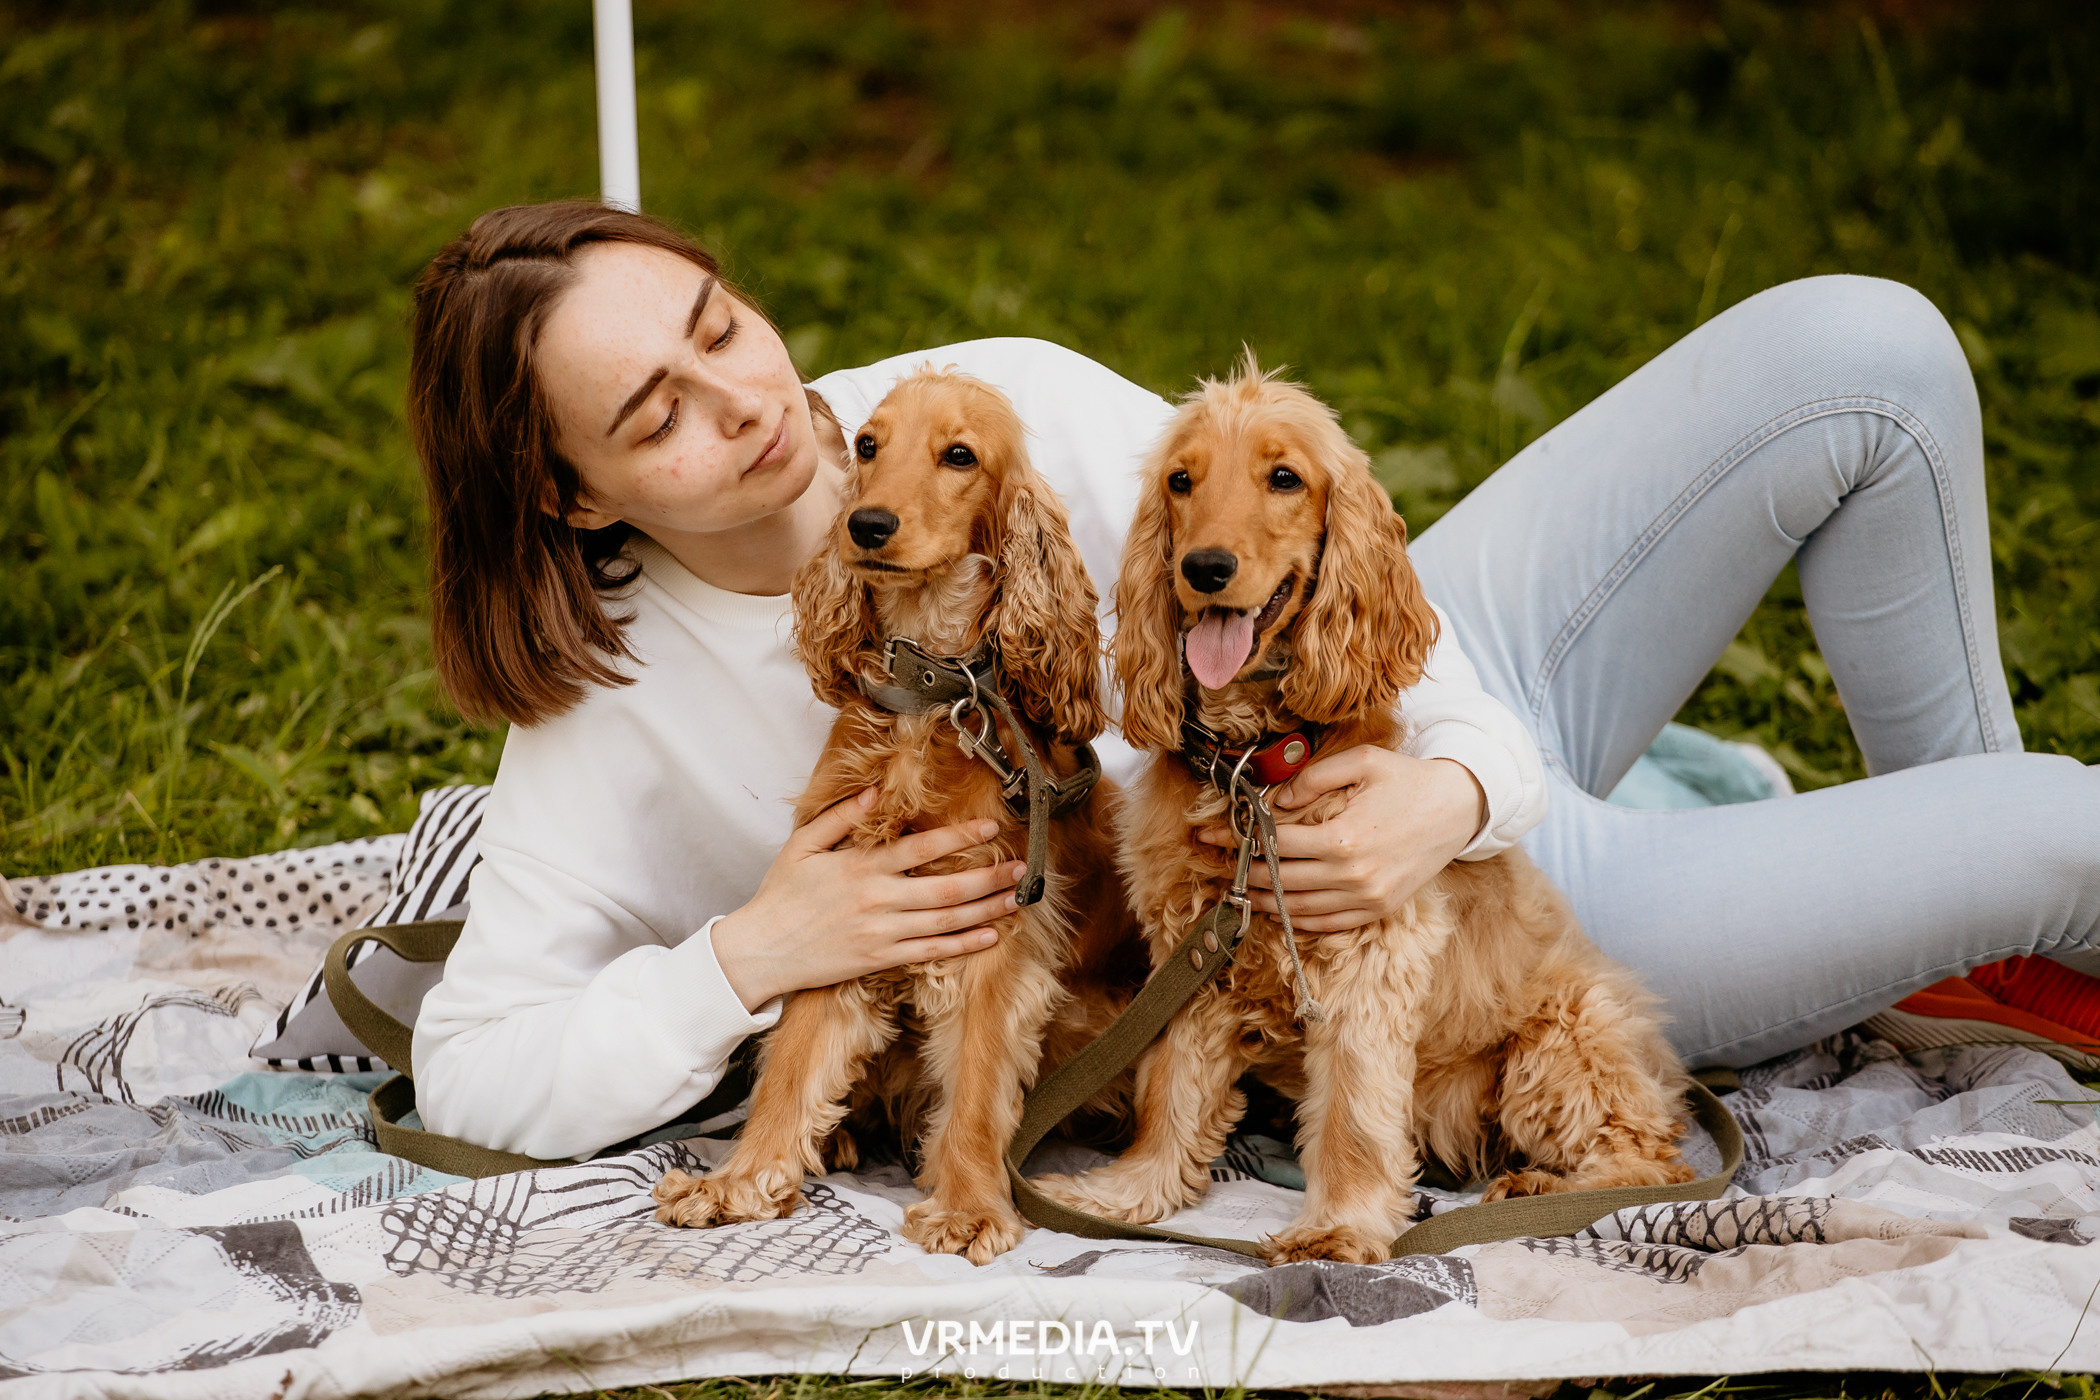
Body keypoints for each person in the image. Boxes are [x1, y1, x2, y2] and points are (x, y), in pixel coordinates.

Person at [406, 201, 2100, 1162]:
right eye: (656, 415)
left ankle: (1982, 969)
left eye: (718, 321)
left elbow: (1355, 595)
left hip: (1426, 733)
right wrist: (755, 952)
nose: (749, 399)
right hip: (1438, 946)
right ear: (570, 495)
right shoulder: (602, 719)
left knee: (1864, 352)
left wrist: (1452, 788)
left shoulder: (972, 403)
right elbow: (474, 1071)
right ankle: (1966, 885)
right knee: (2064, 828)